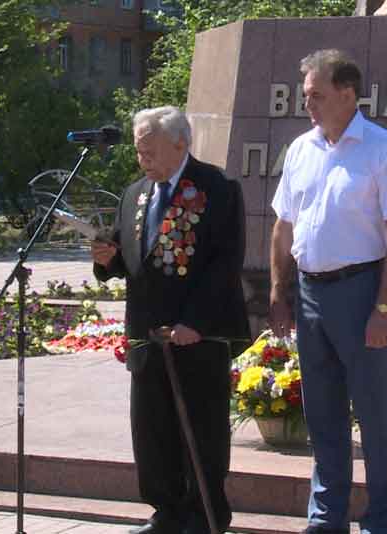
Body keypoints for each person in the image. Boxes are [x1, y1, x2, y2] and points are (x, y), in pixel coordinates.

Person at [269, 49, 387, 534]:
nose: (306, 103)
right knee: (323, 415)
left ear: (347, 93)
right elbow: (282, 225)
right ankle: (326, 518)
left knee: (374, 418)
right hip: (310, 294)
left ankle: (379, 521)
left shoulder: (382, 148)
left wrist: (383, 307)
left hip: (360, 292)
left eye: (315, 94)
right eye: (304, 94)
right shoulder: (300, 149)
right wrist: (278, 289)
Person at [92, 106, 250, 534]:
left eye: (150, 147)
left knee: (202, 429)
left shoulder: (217, 187)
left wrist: (194, 321)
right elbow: (133, 258)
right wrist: (108, 260)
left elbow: (225, 263)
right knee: (151, 429)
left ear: (180, 143)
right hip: (147, 332)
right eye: (139, 147)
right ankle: (166, 512)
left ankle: (204, 515)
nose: (141, 154)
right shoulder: (134, 193)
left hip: (197, 334)